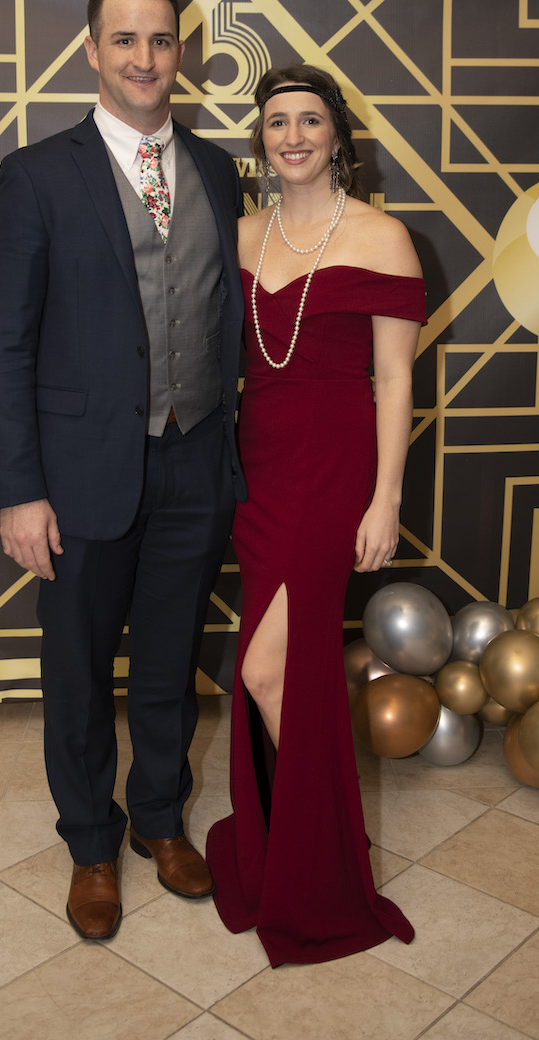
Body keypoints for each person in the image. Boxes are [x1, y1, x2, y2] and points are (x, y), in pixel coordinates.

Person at [0, 0, 245, 941]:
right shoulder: (36, 174)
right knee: (79, 670)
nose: (144, 58)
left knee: (170, 660)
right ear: (92, 50)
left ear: (182, 53)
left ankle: (159, 820)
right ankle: (91, 842)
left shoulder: (216, 169)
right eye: (124, 39)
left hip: (194, 457)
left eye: (161, 40)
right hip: (81, 469)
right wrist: (20, 491)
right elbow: (4, 341)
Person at [206, 63, 425, 967]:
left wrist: (385, 497)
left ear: (337, 135)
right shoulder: (238, 233)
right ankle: (299, 841)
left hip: (335, 469)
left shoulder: (381, 236)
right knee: (281, 668)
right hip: (254, 468)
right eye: (275, 122)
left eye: (308, 120)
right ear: (260, 140)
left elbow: (394, 379)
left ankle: (323, 857)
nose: (291, 136)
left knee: (263, 671)